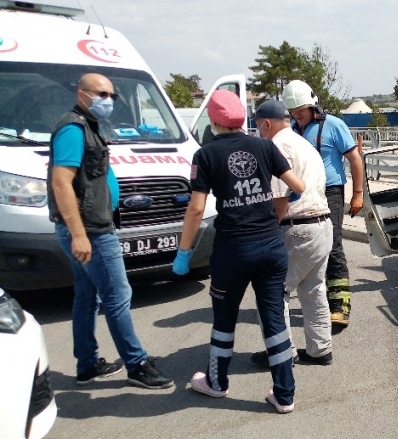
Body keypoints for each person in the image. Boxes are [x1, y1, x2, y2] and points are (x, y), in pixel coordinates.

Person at [172, 90, 305, 414]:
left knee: (224, 319)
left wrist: (184, 252)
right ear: (240, 118)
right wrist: (287, 198)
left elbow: (196, 209)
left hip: (233, 250)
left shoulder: (205, 155)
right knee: (274, 318)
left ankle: (217, 384)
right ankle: (284, 395)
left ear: (215, 120)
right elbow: (298, 186)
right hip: (271, 246)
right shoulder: (263, 145)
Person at [47, 73, 174, 389]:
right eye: (102, 94)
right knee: (118, 294)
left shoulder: (88, 127)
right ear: (82, 94)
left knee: (87, 295)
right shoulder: (73, 129)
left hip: (91, 226)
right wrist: (78, 234)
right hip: (90, 231)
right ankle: (137, 363)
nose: (108, 100)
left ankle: (87, 365)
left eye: (112, 96)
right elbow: (61, 182)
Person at [250, 100, 333, 367]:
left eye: (257, 126)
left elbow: (279, 198)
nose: (257, 132)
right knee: (314, 290)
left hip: (296, 227)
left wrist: (267, 230)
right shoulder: (303, 144)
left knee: (275, 292)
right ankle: (321, 350)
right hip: (322, 226)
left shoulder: (277, 147)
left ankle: (281, 352)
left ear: (266, 123)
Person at [282, 80, 364, 329]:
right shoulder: (292, 131)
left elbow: (355, 159)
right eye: (294, 111)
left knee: (334, 244)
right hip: (303, 192)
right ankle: (320, 301)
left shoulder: (334, 125)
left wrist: (358, 193)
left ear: (312, 106)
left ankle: (340, 306)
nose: (298, 115)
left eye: (302, 110)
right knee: (307, 246)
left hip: (331, 191)